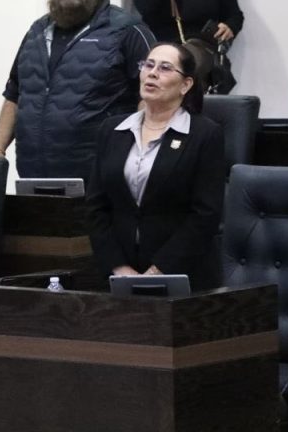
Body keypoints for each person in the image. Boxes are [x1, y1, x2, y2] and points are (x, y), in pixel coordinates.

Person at [0, 0, 155, 182]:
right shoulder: (36, 32)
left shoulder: (127, 30)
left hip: (103, 180)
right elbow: (14, 94)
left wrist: (143, 155)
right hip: (34, 178)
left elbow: (152, 97)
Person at [86, 43, 224, 289]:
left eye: (165, 68)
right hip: (117, 276)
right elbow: (96, 206)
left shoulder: (204, 135)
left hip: (182, 276)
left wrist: (156, 272)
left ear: (186, 85)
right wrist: (119, 268)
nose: (152, 73)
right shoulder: (112, 130)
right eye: (148, 65)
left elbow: (205, 215)